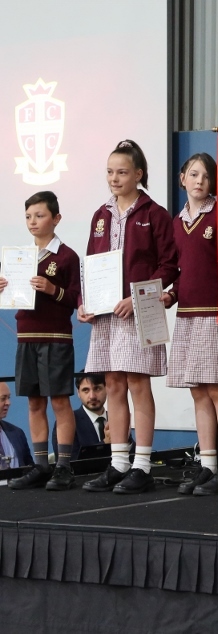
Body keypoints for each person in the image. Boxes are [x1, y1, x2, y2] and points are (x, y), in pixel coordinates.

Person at [78, 139, 179, 494]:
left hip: (139, 311)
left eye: (121, 172)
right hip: (106, 315)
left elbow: (169, 265)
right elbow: (90, 265)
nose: (114, 178)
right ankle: (119, 463)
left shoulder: (155, 214)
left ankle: (142, 465)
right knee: (114, 384)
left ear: (138, 174)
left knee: (138, 384)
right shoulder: (100, 215)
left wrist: (135, 299)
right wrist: (84, 302)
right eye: (109, 172)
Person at [162, 153, 218, 496]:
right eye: (194, 174)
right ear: (182, 178)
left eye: (206, 176)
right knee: (198, 390)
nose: (199, 181)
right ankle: (208, 464)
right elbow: (182, 270)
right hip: (188, 314)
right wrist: (171, 294)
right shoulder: (176, 222)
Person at [0, 192, 81, 490]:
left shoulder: (67, 256)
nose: (33, 222)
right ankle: (40, 465)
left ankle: (63, 466)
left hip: (56, 337)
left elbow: (76, 297)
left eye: (39, 215)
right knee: (34, 402)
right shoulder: (19, 257)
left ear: (56, 218)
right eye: (28, 217)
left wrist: (52, 289)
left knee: (59, 401)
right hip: (26, 336)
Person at [51, 374, 109, 462]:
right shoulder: (68, 423)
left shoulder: (117, 419)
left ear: (107, 389)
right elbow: (70, 462)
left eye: (97, 388)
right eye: (86, 390)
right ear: (78, 393)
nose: (92, 396)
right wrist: (105, 443)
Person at [0, 383, 32, 471]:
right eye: (3, 398)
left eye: (8, 398)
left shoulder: (17, 433)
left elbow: (30, 469)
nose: (8, 403)